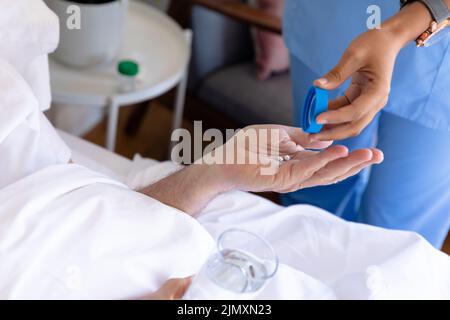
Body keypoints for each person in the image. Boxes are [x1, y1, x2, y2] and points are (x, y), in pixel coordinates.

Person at [282, 0, 450, 248]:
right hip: (333, 22)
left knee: (398, 236)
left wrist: (396, 31)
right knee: (311, 189)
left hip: (441, 75)